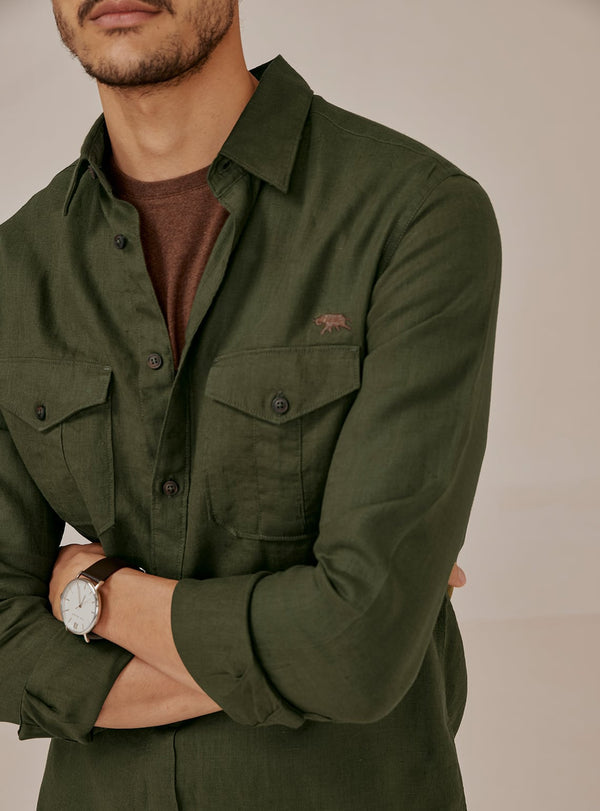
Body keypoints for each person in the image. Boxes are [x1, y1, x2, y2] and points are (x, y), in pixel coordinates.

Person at [0, 1, 500, 808]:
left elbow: (358, 648)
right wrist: (311, 645)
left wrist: (97, 595)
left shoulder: (415, 218)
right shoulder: (14, 270)